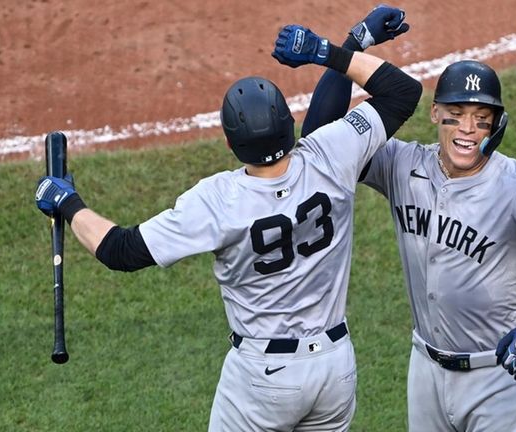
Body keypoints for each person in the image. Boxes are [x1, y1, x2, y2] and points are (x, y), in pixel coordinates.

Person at [33, 9, 420, 431]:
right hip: (334, 370)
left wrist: (67, 202)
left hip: (263, 379)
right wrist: (338, 48)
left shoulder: (218, 200)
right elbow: (401, 93)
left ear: (232, 141)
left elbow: (120, 250)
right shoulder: (331, 156)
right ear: (288, 125)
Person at [302, 29, 516, 432]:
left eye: (482, 120)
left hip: (503, 380)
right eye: (457, 114)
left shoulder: (515, 187)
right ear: (434, 113)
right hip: (426, 371)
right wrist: (352, 44)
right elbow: (322, 140)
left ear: (496, 126)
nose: (467, 130)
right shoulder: (400, 165)